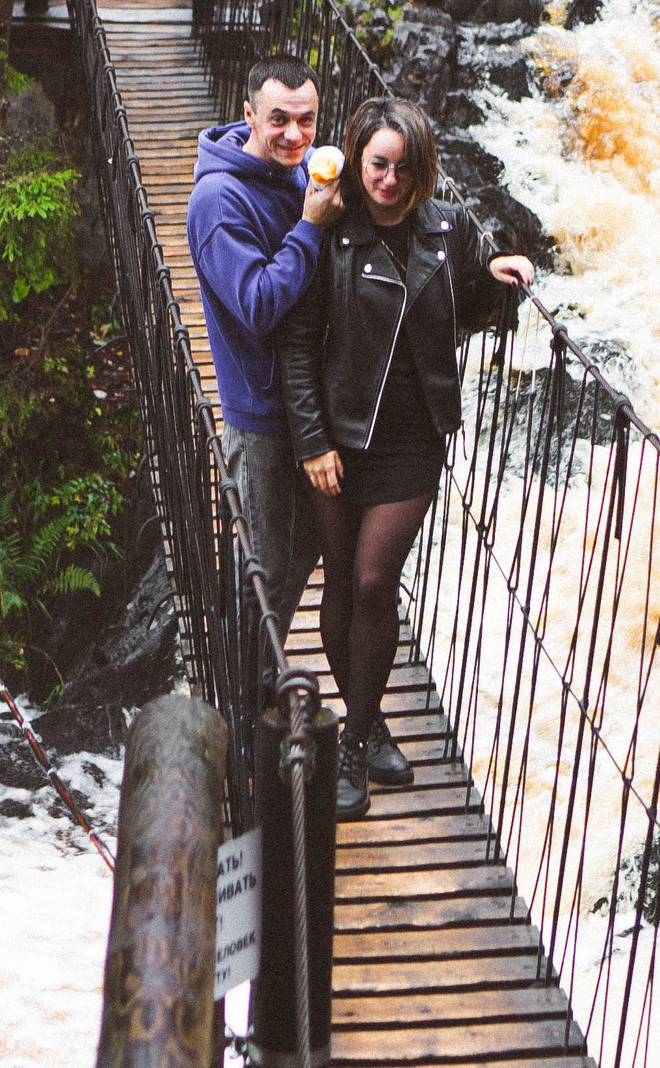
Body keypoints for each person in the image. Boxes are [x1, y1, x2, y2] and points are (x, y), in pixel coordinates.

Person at [276, 96, 535, 819]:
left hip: (411, 437)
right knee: (338, 585)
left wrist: (496, 271)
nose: (388, 179)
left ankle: (353, 744)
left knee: (370, 580)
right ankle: (372, 720)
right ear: (358, 163)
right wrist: (312, 442)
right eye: (377, 164)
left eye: (402, 166)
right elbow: (296, 346)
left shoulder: (446, 230)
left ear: (422, 169)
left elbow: (467, 305)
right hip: (336, 437)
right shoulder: (330, 232)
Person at [187, 53, 342, 643]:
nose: (295, 135)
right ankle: (240, 710)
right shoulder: (218, 201)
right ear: (249, 114)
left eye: (307, 121)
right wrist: (309, 226)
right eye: (279, 120)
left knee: (303, 555)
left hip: (309, 409)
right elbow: (256, 305)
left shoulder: (300, 172)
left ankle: (251, 676)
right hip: (260, 419)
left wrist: (480, 263)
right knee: (266, 577)